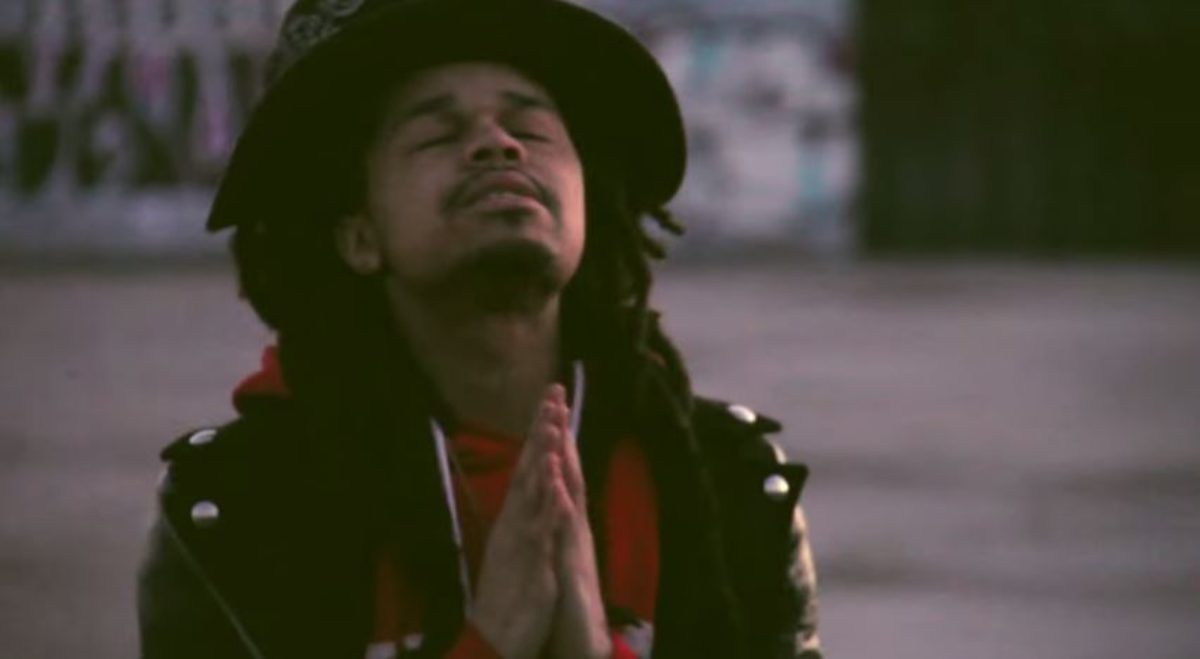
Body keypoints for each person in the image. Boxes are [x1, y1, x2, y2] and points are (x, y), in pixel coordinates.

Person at [136, 1, 823, 657]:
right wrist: (490, 643)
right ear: (359, 235)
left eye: (530, 129)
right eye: (437, 135)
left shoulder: (725, 486)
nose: (497, 144)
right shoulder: (241, 508)